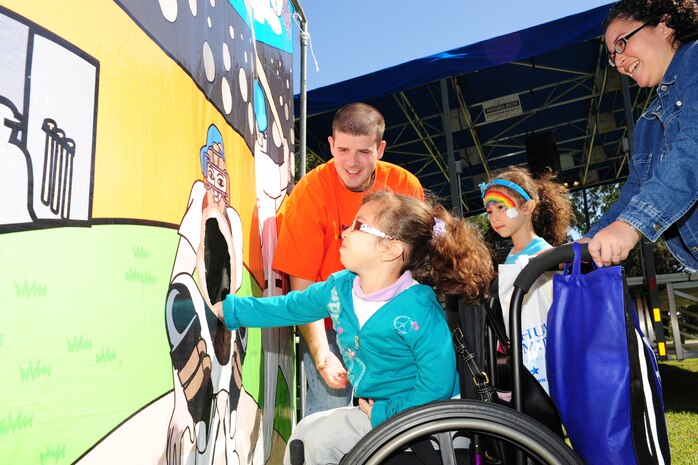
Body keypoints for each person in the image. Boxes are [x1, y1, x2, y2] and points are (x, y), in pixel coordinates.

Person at [211, 191, 494, 465]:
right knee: (303, 432)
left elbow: (437, 384)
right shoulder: (340, 288)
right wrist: (233, 311)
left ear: (390, 249)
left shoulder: (418, 308)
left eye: (358, 226)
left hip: (426, 420)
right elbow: (291, 307)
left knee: (320, 442)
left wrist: (387, 413)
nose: (345, 232)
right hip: (378, 409)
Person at [272, 102, 424, 417]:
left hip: (391, 321)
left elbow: (416, 269)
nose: (351, 163)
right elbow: (303, 288)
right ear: (330, 145)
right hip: (329, 322)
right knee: (329, 415)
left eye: (363, 152)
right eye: (342, 150)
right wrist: (323, 353)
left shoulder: (406, 187)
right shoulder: (310, 193)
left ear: (380, 149)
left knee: (400, 414)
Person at [584, 0, 698, 270]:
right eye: (613, 57)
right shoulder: (648, 123)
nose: (619, 62)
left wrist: (631, 225)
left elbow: (694, 146)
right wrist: (586, 242)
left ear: (664, 24)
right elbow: (633, 192)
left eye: (621, 44)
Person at [480, 167, 574, 263]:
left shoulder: (543, 253)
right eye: (489, 212)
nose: (494, 218)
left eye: (501, 207)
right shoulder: (513, 254)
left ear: (527, 208)